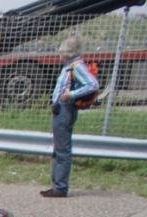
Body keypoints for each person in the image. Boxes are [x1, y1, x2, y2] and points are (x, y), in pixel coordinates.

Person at [43, 36, 98, 198]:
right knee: (59, 148)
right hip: (61, 108)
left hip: (65, 109)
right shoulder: (69, 66)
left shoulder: (77, 66)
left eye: (62, 52)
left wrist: (71, 94)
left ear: (68, 52)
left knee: (62, 149)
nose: (59, 55)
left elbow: (92, 84)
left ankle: (60, 187)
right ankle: (56, 185)